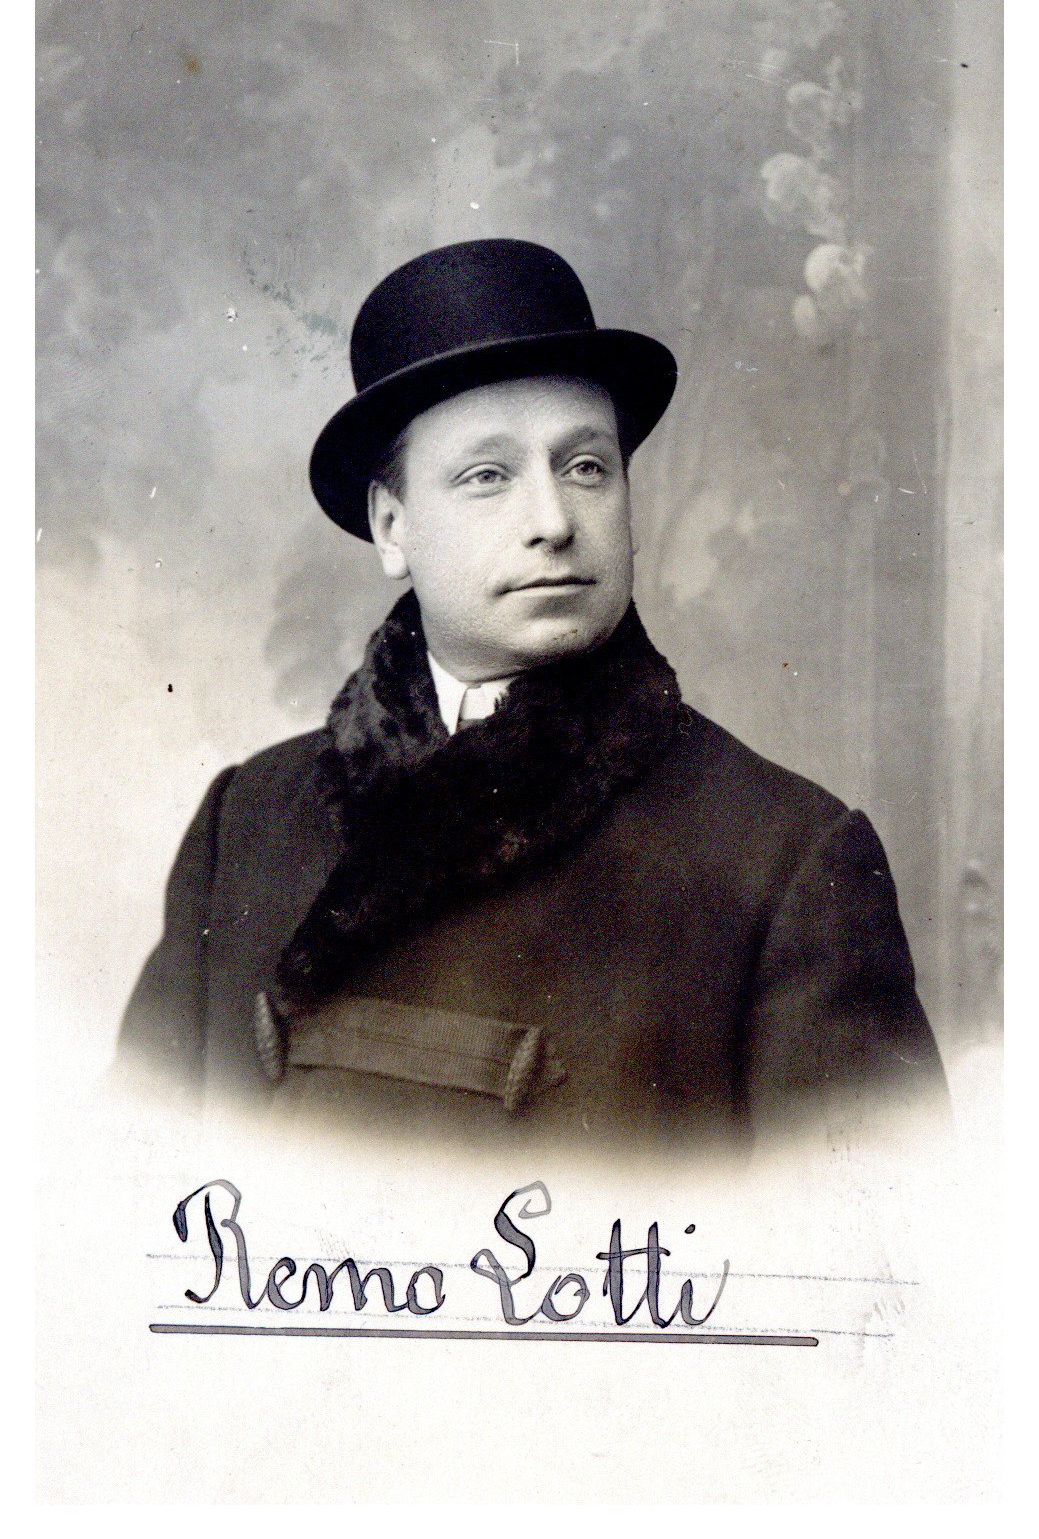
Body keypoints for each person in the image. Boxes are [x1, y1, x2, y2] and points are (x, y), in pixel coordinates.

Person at [118, 237, 947, 1149]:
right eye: (488, 476)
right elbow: (125, 1196)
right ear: (392, 527)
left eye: (585, 466)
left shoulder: (786, 860)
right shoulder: (243, 825)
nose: (553, 522)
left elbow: (871, 1234)